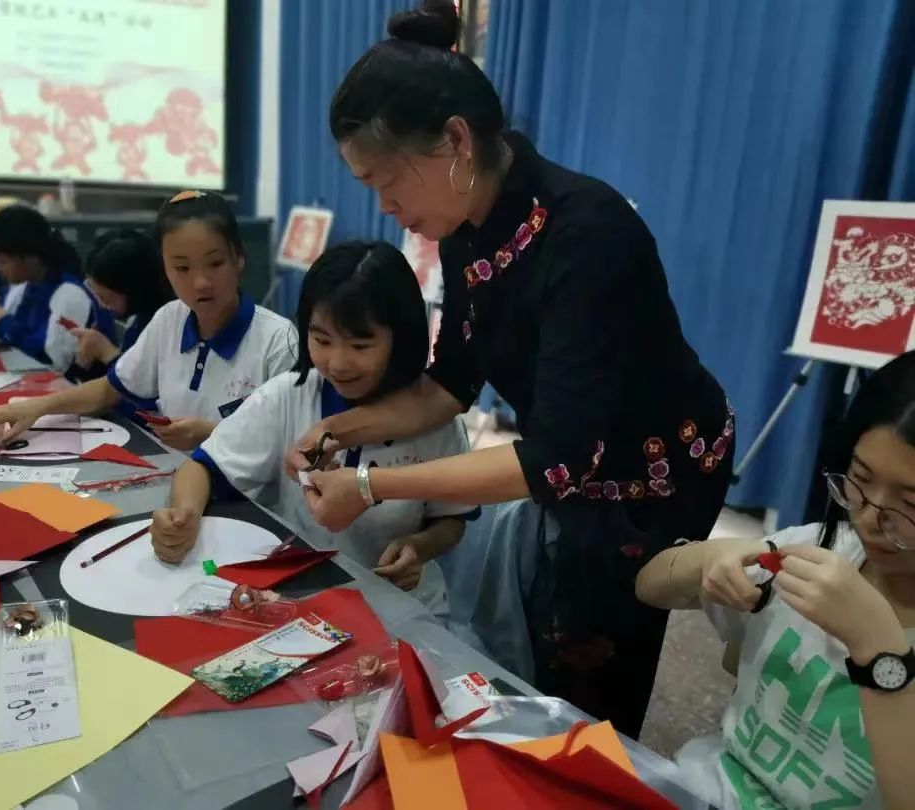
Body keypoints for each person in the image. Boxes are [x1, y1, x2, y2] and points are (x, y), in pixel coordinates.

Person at [285, 0, 732, 738]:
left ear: (455, 141)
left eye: (385, 181)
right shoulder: (468, 226)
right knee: (544, 627)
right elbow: (452, 382)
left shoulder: (589, 236)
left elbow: (551, 463)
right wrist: (339, 428)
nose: (386, 206)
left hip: (656, 477)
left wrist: (369, 484)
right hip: (576, 462)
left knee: (594, 660)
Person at [636, 351, 915, 810]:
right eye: (860, 478)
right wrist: (706, 559)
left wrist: (880, 651)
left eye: (911, 504)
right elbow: (647, 587)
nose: (868, 517)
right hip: (703, 789)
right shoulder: (816, 550)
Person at [150, 241, 477, 615]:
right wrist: (185, 516)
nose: (337, 363)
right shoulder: (288, 396)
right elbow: (203, 466)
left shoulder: (436, 421)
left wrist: (419, 547)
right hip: (299, 602)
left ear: (399, 338)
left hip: (399, 606)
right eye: (321, 340)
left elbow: (451, 519)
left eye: (360, 344)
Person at [0, 191, 296, 453]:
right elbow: (110, 389)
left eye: (214, 263)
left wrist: (212, 436)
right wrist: (34, 408)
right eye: (182, 268)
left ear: (239, 257)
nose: (200, 283)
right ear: (165, 269)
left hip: (250, 507)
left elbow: (294, 446)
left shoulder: (278, 341)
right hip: (176, 486)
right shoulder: (169, 319)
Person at [0, 205, 114, 378]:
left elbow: (53, 362)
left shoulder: (70, 293)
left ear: (29, 256)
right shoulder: (24, 285)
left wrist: (3, 322)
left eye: (2, 260)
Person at [71, 228, 174, 370]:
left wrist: (107, 352)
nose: (102, 305)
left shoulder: (167, 324)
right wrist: (93, 358)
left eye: (107, 299)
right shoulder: (137, 319)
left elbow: (141, 387)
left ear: (133, 290)